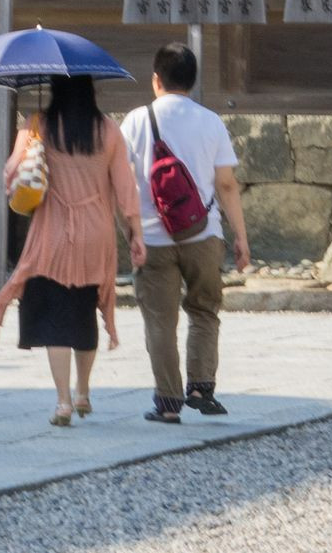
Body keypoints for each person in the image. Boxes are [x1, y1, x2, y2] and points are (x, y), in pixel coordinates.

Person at [0, 72, 133, 426]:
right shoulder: (109, 130)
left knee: (56, 319)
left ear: (54, 89)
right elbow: (126, 188)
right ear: (91, 89)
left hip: (51, 232)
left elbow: (12, 173)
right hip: (96, 232)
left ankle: (63, 401)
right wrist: (136, 234)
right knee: (84, 310)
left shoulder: (38, 124)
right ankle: (84, 391)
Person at [119, 43, 253, 423]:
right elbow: (226, 185)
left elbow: (123, 184)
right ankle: (200, 387)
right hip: (203, 234)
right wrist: (240, 236)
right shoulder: (211, 122)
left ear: (156, 80)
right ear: (192, 81)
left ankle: (167, 402)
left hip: (152, 238)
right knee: (204, 310)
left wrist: (131, 232)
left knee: (160, 321)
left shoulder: (135, 121)